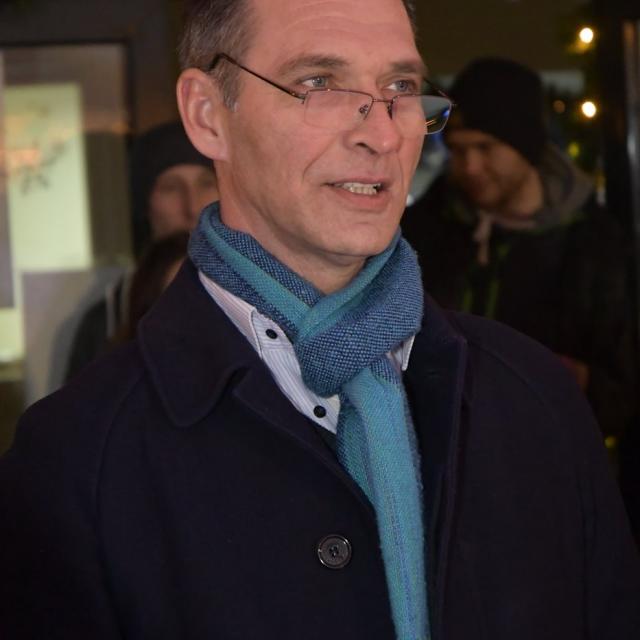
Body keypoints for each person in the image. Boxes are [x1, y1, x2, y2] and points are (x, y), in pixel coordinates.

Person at [1, 2, 638, 639]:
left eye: (401, 87)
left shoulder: (536, 398)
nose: (382, 135)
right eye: (320, 84)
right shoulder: (75, 462)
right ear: (208, 115)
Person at [402, 58, 636, 439]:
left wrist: (570, 380)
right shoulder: (423, 228)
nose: (470, 166)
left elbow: (622, 393)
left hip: (544, 457)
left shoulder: (592, 242)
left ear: (525, 146)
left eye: (486, 147)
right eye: (458, 149)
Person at [65, 121, 218, 379]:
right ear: (145, 204)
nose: (192, 207)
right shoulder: (108, 321)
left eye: (206, 183)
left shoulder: (264, 296)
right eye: (171, 188)